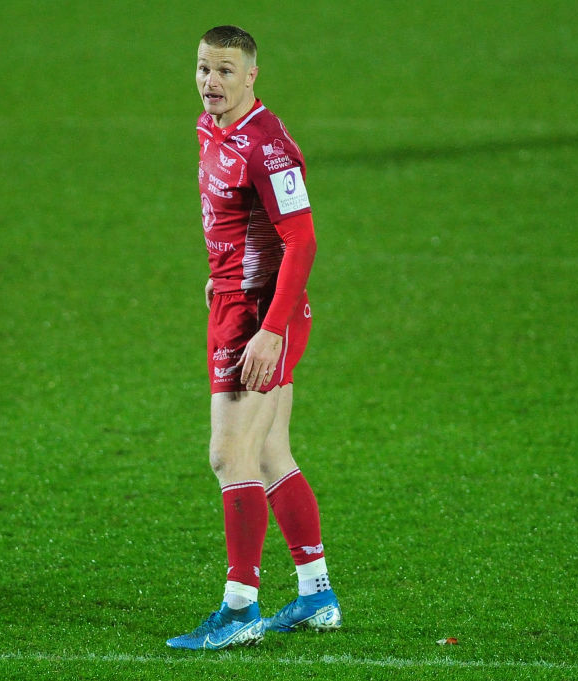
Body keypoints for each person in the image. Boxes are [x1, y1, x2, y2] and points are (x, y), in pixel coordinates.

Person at [166, 25, 342, 650]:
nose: (211, 81)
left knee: (227, 455)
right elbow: (234, 221)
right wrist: (219, 278)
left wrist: (270, 330)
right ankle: (317, 593)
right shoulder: (210, 128)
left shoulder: (266, 146)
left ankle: (241, 608)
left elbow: (303, 241)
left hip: (263, 316)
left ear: (250, 77)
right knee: (270, 455)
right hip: (236, 302)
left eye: (224, 71)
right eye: (203, 69)